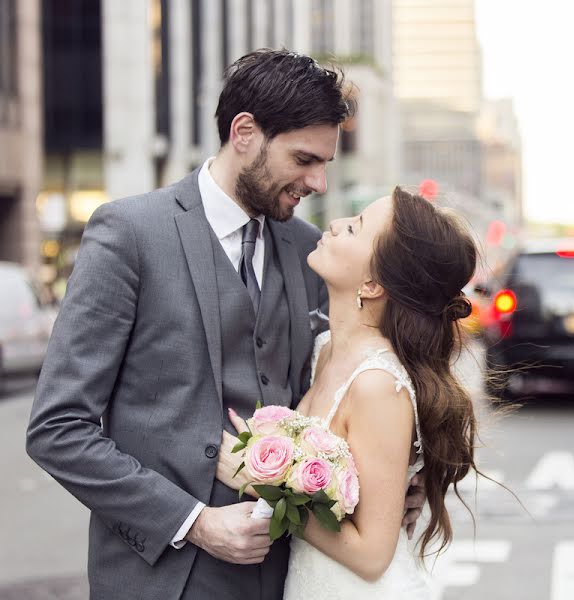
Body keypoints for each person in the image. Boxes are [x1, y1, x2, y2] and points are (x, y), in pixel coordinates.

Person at [26, 50, 424, 600]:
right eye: (305, 158)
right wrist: (195, 522)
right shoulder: (128, 235)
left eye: (326, 162)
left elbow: (360, 381)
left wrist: (401, 479)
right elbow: (58, 428)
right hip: (159, 580)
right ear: (244, 133)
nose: (319, 182)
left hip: (287, 576)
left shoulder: (312, 253)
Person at [215, 187, 481, 598]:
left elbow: (373, 554)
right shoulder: (325, 350)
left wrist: (256, 479)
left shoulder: (377, 385)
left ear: (372, 284)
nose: (336, 224)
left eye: (355, 228)